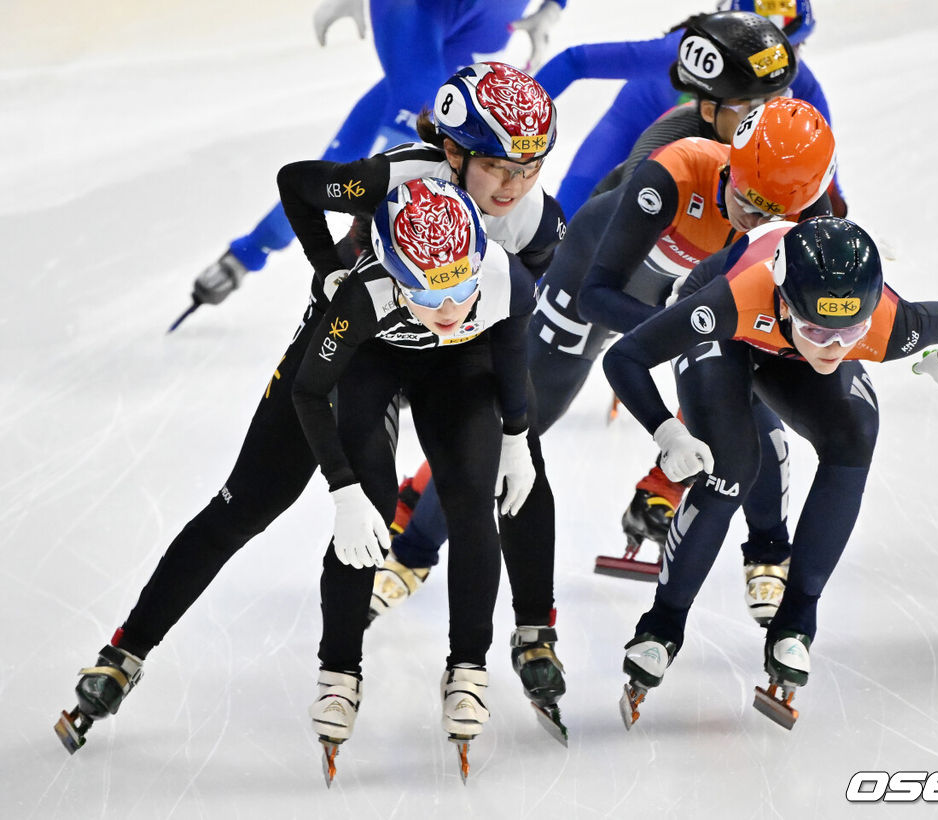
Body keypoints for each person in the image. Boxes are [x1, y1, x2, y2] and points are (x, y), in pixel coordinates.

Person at [54, 62, 566, 756]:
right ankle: (126, 650)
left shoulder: (536, 221)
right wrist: (326, 265)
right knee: (249, 502)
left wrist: (512, 425)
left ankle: (534, 631)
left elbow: (512, 333)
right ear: (451, 150)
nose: (514, 188)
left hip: (453, 350)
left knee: (508, 470)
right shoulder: (397, 176)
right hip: (356, 339)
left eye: (530, 168)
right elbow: (300, 182)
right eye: (500, 169)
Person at [380, 12, 816, 627]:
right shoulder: (671, 156)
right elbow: (600, 283)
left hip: (683, 277)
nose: (771, 119)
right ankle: (416, 546)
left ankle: (766, 549)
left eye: (781, 100)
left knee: (748, 389)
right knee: (522, 419)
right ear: (709, 104)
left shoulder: (773, 140)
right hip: (600, 270)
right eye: (753, 107)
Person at [603, 216, 938, 727]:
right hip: (730, 330)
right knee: (732, 467)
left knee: (853, 437)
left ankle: (797, 618)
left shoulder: (893, 324)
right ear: (784, 301)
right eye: (819, 330)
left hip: (782, 341)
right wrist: (667, 432)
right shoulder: (729, 301)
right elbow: (624, 357)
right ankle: (663, 623)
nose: (835, 347)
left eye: (851, 330)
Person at [291, 176, 537, 773]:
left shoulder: (505, 278)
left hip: (457, 371)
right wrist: (342, 488)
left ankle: (468, 666)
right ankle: (338, 669)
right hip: (374, 358)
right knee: (371, 510)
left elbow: (510, 360)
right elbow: (308, 390)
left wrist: (518, 439)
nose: (450, 312)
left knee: (472, 503)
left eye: (461, 291)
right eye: (428, 298)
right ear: (393, 276)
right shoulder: (362, 293)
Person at [176, 0, 567, 326]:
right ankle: (385, 316)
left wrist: (553, 7)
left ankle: (245, 255)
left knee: (352, 162)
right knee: (395, 171)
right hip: (416, 12)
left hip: (473, 28)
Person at [535, 0, 841, 219]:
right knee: (564, 227)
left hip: (694, 152)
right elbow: (576, 61)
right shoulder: (678, 50)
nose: (778, 70)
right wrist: (512, 115)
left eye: (796, 49)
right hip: (632, 124)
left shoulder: (800, 82)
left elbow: (823, 168)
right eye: (763, 54)